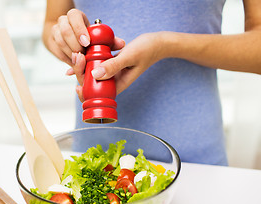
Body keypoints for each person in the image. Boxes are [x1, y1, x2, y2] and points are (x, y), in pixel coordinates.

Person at [42, 0, 261, 165]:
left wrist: (166, 45)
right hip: (94, 153)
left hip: (194, 160)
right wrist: (66, 39)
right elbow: (51, 23)